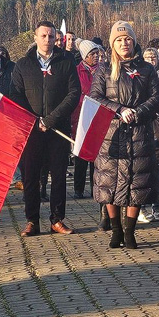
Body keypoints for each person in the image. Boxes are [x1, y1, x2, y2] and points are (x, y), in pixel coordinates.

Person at [90, 21, 159, 249]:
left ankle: (130, 231)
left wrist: (138, 112)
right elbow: (95, 98)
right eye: (119, 40)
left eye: (128, 39)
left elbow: (156, 97)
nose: (124, 43)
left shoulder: (147, 69)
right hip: (111, 135)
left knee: (136, 184)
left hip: (140, 134)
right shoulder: (103, 70)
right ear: (113, 43)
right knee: (109, 183)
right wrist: (120, 110)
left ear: (134, 41)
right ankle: (116, 230)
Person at [11, 21, 81, 237]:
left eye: (51, 36)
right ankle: (32, 221)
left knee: (58, 176)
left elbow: (74, 94)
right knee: (31, 178)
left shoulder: (66, 63)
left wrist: (50, 120)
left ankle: (57, 219)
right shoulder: (23, 64)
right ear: (35, 37)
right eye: (43, 36)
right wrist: (34, 121)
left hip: (57, 129)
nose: (48, 40)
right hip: (31, 131)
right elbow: (15, 95)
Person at [138, 46, 159, 223]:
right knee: (144, 172)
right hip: (146, 127)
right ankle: (141, 207)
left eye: (154, 57)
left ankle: (156, 207)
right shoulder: (141, 76)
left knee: (157, 173)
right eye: (148, 57)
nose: (151, 60)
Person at [71, 39, 103, 199]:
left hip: (98, 117)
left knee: (96, 157)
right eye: (92, 54)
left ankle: (95, 188)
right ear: (85, 56)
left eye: (97, 53)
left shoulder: (103, 70)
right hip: (81, 117)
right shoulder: (76, 72)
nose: (96, 56)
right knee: (81, 155)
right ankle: (78, 188)